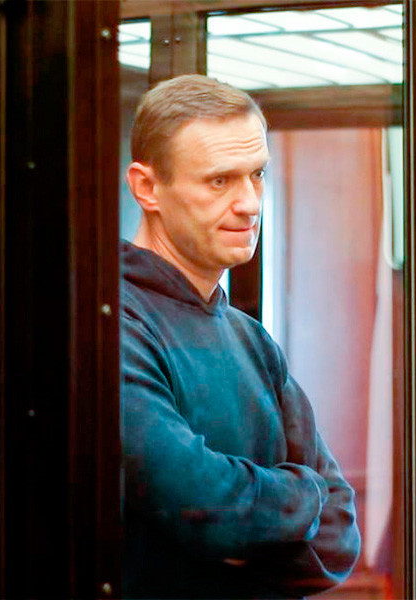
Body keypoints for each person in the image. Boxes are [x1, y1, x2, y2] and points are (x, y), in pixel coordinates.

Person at [120, 74, 361, 599]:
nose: (250, 203)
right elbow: (204, 506)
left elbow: (340, 533)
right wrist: (303, 497)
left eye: (257, 175)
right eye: (219, 181)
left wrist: (246, 537)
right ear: (147, 188)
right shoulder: (113, 324)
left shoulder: (250, 338)